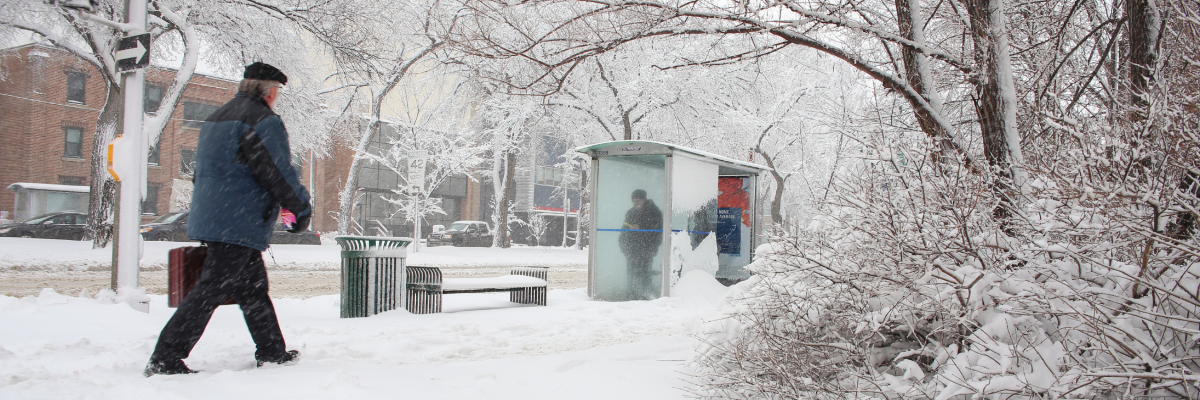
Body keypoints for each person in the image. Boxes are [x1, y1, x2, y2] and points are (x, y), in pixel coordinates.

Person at [144, 62, 312, 376]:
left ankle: (272, 351)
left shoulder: (216, 118)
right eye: (278, 91)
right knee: (209, 291)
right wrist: (300, 209)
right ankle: (166, 357)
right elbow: (277, 173)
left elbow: (203, 173)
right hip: (238, 221)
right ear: (270, 90)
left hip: (217, 216)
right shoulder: (263, 120)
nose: (277, 97)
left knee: (252, 289)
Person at [618, 189, 663, 300]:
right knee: (632, 273)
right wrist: (623, 245)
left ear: (644, 199)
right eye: (633, 201)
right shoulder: (631, 212)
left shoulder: (654, 212)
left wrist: (641, 229)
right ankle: (632, 294)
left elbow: (657, 232)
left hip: (646, 249)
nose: (635, 204)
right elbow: (624, 230)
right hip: (631, 249)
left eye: (638, 201)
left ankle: (645, 295)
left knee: (644, 273)